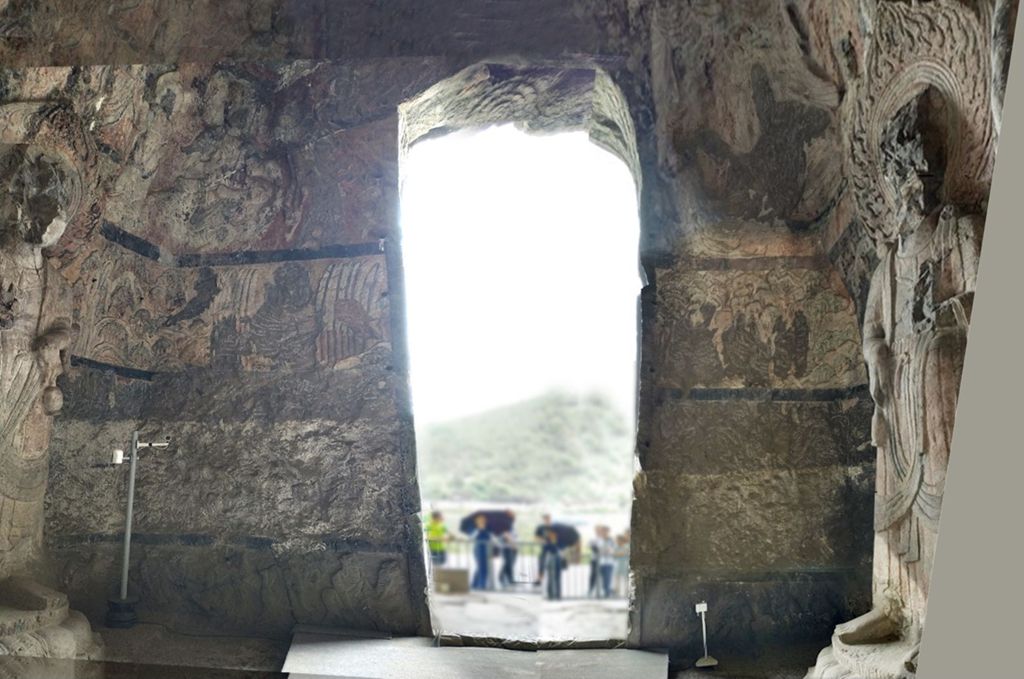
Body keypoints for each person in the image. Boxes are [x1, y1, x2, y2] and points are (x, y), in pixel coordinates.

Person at [469, 514, 498, 590]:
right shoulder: (475, 530)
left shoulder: (488, 530)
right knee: (482, 568)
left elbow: (494, 539)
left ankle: (474, 584)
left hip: (487, 550)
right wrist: (479, 530)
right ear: (477, 522)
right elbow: (471, 538)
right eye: (480, 520)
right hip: (478, 550)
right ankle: (482, 585)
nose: (482, 522)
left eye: (483, 520)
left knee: (481, 568)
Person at [594, 525, 616, 599]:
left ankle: (607, 593)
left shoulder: (611, 540)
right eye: (603, 531)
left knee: (608, 578)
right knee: (603, 579)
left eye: (606, 531)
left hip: (609, 562)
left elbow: (612, 550)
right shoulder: (599, 540)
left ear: (608, 532)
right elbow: (598, 550)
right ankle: (606, 591)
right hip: (601, 562)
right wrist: (604, 551)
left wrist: (607, 551)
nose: (604, 533)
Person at [541, 529, 563, 600]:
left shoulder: (558, 540)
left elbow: (560, 548)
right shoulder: (547, 542)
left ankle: (558, 595)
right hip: (550, 559)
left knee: (558, 577)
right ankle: (551, 595)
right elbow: (545, 550)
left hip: (557, 559)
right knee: (551, 577)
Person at [533, 513, 553, 586]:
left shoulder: (553, 527)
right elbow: (535, 537)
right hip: (544, 549)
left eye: (548, 518)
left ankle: (551, 581)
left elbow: (556, 538)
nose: (547, 520)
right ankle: (539, 579)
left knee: (552, 565)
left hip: (553, 550)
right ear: (544, 519)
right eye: (546, 518)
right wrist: (541, 540)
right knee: (541, 564)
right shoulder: (540, 527)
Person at [613, 530, 631, 597]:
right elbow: (614, 554)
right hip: (618, 564)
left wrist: (620, 554)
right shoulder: (617, 546)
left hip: (625, 564)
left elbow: (625, 553)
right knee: (617, 578)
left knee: (625, 578)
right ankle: (617, 591)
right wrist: (619, 554)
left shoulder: (627, 545)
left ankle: (626, 591)